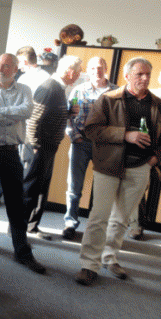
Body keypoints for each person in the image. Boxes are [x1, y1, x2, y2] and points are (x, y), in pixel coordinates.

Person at [76, 57, 161, 286]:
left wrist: (154, 159)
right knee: (99, 217)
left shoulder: (157, 104)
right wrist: (125, 135)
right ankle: (89, 264)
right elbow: (91, 129)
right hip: (108, 165)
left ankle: (109, 257)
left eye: (148, 74)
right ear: (127, 76)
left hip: (141, 167)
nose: (145, 78)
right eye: (139, 74)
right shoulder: (108, 99)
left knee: (121, 219)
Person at [0, 54, 46, 274]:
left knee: (16, 202)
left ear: (16, 69)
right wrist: (11, 115)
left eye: (6, 66)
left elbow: (27, 111)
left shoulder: (25, 89)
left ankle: (22, 251)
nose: (0, 69)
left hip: (11, 152)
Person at [23, 55, 82, 240]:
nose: (79, 75)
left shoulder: (58, 88)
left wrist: (68, 113)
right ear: (70, 72)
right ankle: (18, 229)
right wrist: (35, 145)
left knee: (41, 189)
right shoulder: (49, 87)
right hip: (39, 147)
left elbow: (50, 115)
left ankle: (31, 227)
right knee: (30, 190)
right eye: (79, 72)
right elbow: (34, 118)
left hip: (48, 147)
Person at [62, 57, 117, 240]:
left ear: (106, 68)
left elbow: (121, 119)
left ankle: (98, 227)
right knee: (74, 187)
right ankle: (70, 223)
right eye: (93, 68)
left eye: (100, 67)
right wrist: (74, 136)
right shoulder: (78, 90)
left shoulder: (116, 91)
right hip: (81, 143)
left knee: (105, 188)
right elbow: (68, 116)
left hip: (105, 145)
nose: (96, 71)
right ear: (88, 70)